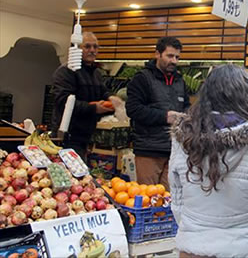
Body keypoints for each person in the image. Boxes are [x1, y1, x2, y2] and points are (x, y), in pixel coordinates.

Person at [168, 64, 248, 258]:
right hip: (242, 246)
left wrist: (190, 226)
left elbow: (175, 192)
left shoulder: (183, 136)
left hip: (193, 245)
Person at [126, 36, 189, 189]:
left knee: (169, 200)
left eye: (177, 57)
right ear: (157, 54)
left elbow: (186, 107)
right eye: (170, 56)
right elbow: (133, 109)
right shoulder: (142, 79)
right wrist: (165, 116)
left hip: (174, 150)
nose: (174, 61)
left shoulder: (180, 81)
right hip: (148, 151)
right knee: (149, 199)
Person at [51, 31, 116, 159]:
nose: (92, 50)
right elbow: (63, 101)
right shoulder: (66, 71)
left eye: (95, 47)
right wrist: (93, 108)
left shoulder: (96, 73)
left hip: (86, 136)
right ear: (77, 48)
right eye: (87, 46)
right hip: (67, 136)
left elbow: (103, 92)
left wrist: (111, 98)